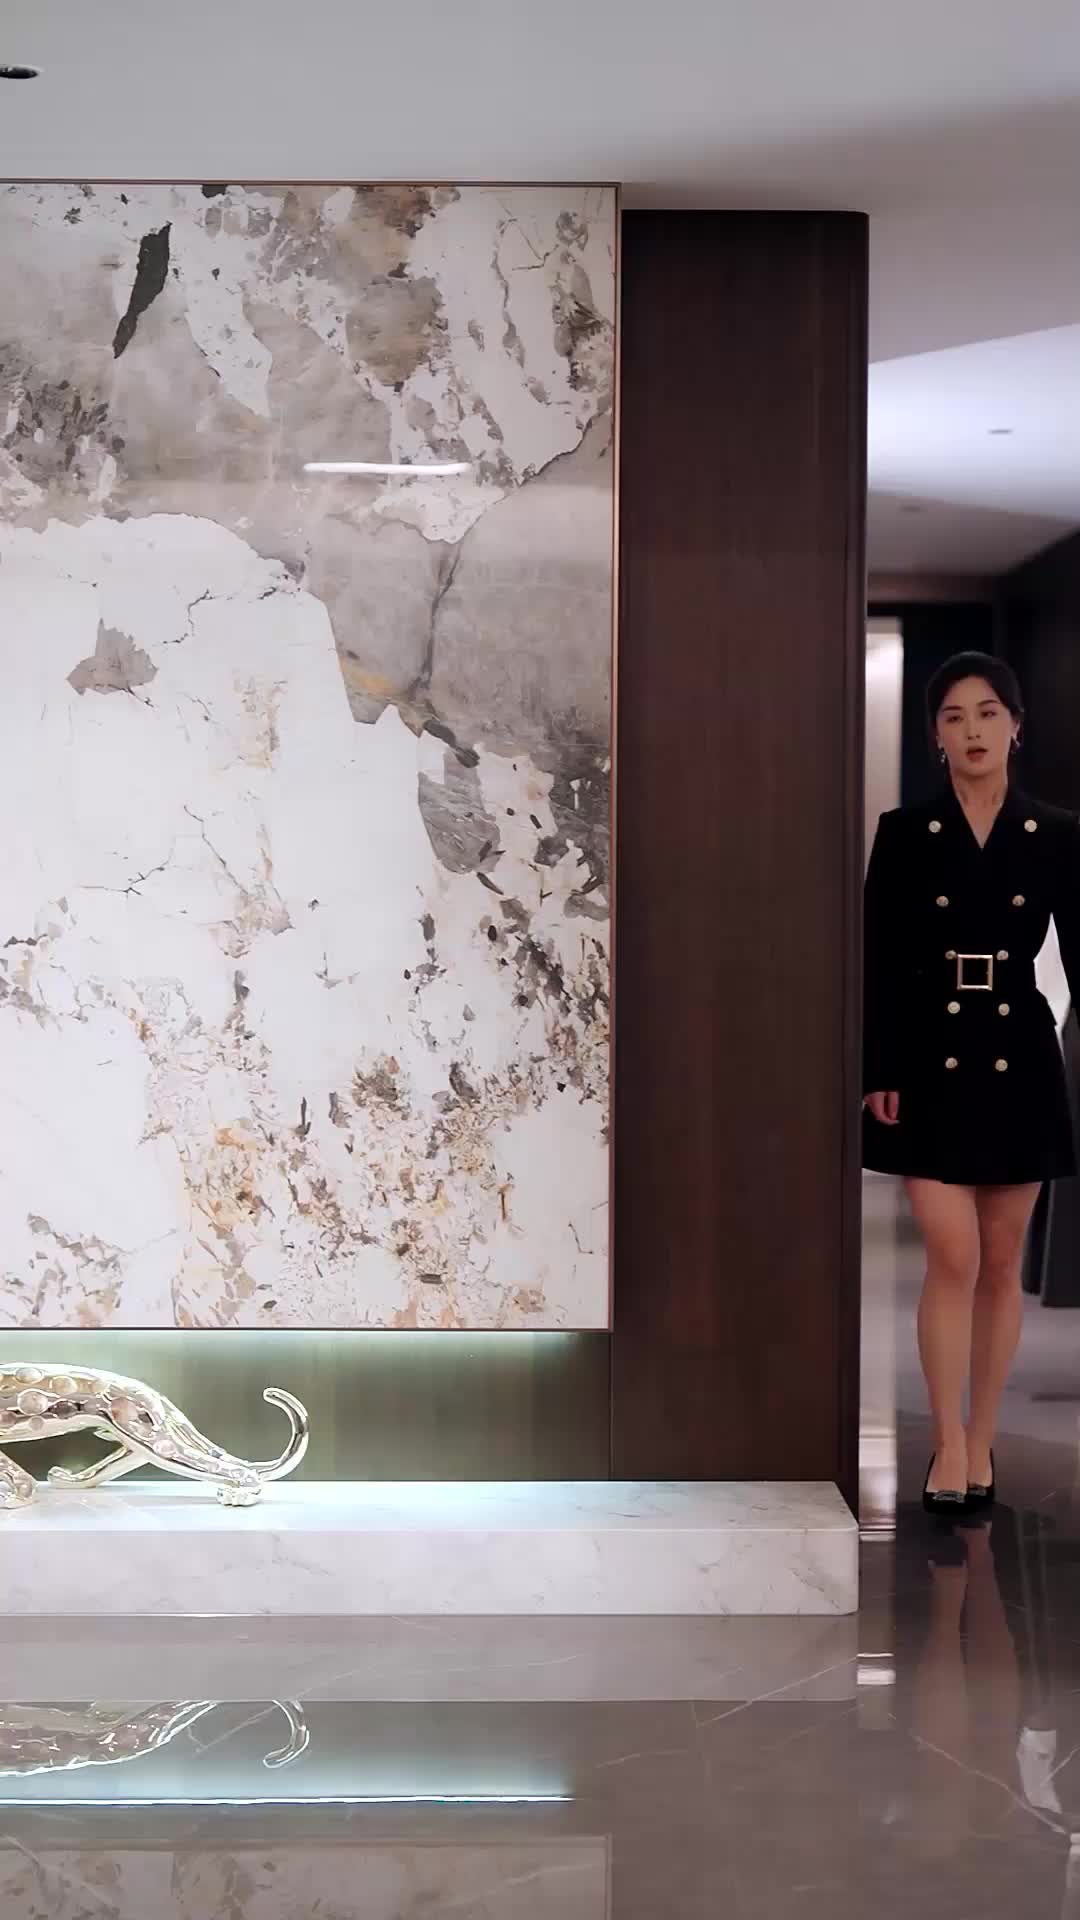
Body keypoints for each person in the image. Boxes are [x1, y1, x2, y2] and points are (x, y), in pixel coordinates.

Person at [863, 652, 1080, 1514]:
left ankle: (980, 1439)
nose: (973, 731)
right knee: (950, 1255)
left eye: (988, 713)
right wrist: (879, 1069)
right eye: (954, 717)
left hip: (1019, 1055)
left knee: (998, 1262)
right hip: (929, 1056)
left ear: (1016, 726)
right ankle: (946, 1441)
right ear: (935, 737)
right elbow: (880, 961)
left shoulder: (1057, 832)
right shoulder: (905, 832)